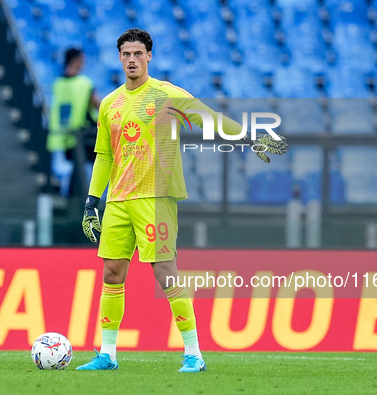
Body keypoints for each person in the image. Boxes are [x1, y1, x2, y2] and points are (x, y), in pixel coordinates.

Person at [78, 28, 287, 372]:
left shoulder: (165, 94)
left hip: (156, 197)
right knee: (112, 274)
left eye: (138, 54)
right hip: (117, 200)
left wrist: (250, 137)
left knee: (166, 274)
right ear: (119, 58)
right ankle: (107, 354)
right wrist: (91, 201)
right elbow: (104, 156)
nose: (132, 60)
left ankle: (194, 354)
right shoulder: (110, 104)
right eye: (126, 54)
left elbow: (209, 118)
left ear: (149, 57)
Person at [48, 48, 101, 197]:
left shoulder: (57, 84)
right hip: (83, 136)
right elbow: (100, 106)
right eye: (81, 60)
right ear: (75, 60)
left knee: (74, 171)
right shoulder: (84, 84)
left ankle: (71, 198)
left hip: (60, 136)